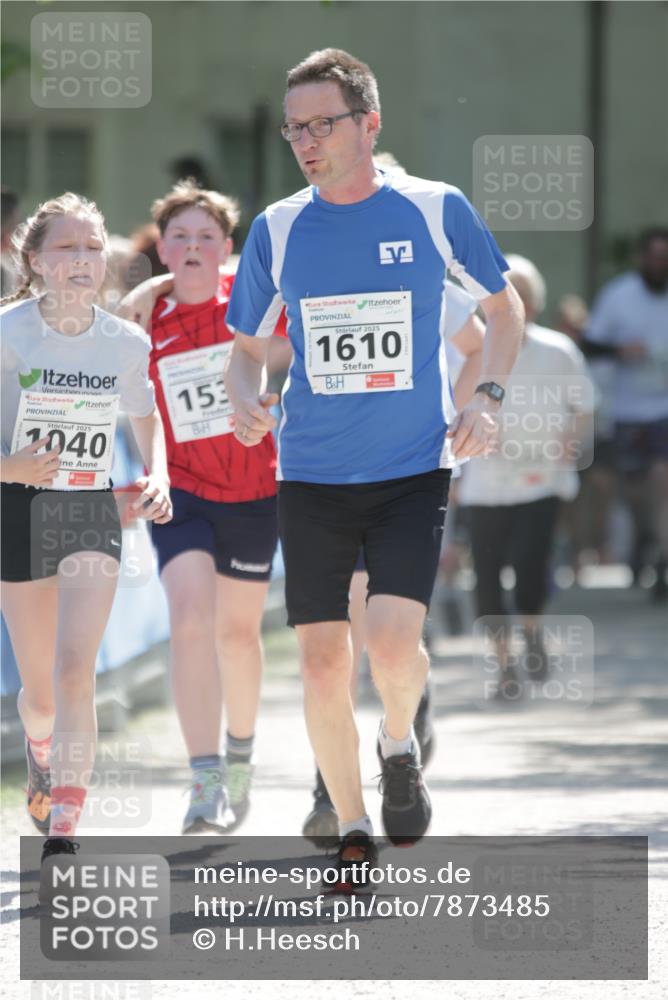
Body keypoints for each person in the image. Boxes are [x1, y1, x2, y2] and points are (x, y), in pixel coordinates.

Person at [224, 49, 523, 887]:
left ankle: (398, 743)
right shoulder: (278, 228)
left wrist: (487, 397)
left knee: (392, 648)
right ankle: (352, 829)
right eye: (294, 129)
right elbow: (244, 352)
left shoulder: (434, 209)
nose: (305, 142)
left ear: (369, 124)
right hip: (311, 474)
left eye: (322, 125)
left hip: (410, 469)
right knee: (324, 660)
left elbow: (504, 313)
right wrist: (247, 399)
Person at [0, 192, 172, 862]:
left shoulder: (125, 342)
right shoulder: (8, 333)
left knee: (77, 668)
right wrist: (11, 466)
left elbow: (145, 416)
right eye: (66, 247)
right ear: (35, 261)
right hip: (17, 509)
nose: (82, 259)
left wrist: (157, 474)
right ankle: (42, 752)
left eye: (93, 247)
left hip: (87, 508)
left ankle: (65, 828)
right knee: (39, 695)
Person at [123, 180, 284, 833]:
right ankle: (204, 779)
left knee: (237, 635)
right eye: (180, 237)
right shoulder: (140, 322)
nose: (192, 247)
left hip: (253, 488)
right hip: (180, 489)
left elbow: (303, 328)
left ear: (227, 247)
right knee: (189, 619)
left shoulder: (252, 303)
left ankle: (240, 754)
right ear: (161, 248)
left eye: (206, 237)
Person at [302, 278, 486, 846]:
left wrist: (451, 421)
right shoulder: (311, 260)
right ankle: (331, 786)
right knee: (339, 643)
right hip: (328, 474)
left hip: (412, 475)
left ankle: (401, 732)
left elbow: (479, 346)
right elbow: (261, 339)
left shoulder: (428, 272)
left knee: (386, 636)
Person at [458, 255, 592, 700]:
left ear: (532, 305)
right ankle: (504, 666)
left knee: (531, 567)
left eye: (522, 298)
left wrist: (571, 441)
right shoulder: (471, 354)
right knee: (486, 579)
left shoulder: (559, 351)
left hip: (541, 481)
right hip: (485, 486)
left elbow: (584, 406)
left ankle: (532, 630)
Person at [585, 228, 668, 600]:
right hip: (627, 411)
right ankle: (643, 538)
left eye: (665, 259)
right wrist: (620, 351)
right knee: (635, 492)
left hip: (664, 409)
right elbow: (589, 345)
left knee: (663, 481)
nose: (659, 265)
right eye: (654, 257)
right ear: (642, 259)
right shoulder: (618, 295)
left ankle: (662, 561)